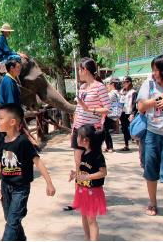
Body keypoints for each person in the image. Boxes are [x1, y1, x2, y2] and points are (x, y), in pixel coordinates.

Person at [0, 103, 56, 240]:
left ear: (12, 122)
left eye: (1, 118)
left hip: (20, 189)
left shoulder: (23, 142)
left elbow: (37, 161)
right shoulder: (1, 142)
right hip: (5, 187)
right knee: (11, 220)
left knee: (12, 222)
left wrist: (49, 183)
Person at [64, 57, 111, 211]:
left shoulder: (99, 87)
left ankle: (91, 192)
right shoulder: (82, 87)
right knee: (78, 162)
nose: (78, 72)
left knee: (90, 163)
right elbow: (79, 109)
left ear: (85, 70)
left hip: (90, 131)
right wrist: (74, 127)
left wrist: (90, 110)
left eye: (79, 69)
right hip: (78, 129)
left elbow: (107, 109)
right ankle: (78, 196)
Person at [136, 54, 163, 230]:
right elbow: (141, 107)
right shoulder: (149, 84)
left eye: (156, 69)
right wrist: (161, 98)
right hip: (151, 134)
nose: (153, 73)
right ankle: (152, 202)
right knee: (150, 171)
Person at [69, 124, 107, 241]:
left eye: (78, 137)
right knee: (84, 216)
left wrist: (88, 177)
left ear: (85, 140)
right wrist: (75, 174)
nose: (76, 139)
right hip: (83, 190)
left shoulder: (97, 155)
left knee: (91, 219)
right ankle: (87, 237)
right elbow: (84, 171)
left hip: (94, 192)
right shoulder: (84, 153)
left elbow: (103, 172)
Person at [119, 76, 137, 151]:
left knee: (131, 127)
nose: (124, 84)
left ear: (129, 82)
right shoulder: (122, 91)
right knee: (124, 128)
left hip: (129, 112)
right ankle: (126, 145)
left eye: (125, 82)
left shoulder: (133, 92)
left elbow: (134, 103)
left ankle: (135, 139)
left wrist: (133, 113)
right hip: (122, 111)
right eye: (123, 82)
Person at [104, 77, 122, 152]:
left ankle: (110, 146)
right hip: (116, 114)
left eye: (109, 83)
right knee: (106, 130)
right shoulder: (119, 93)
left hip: (109, 114)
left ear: (112, 84)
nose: (108, 85)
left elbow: (105, 101)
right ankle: (109, 146)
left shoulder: (111, 94)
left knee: (105, 130)